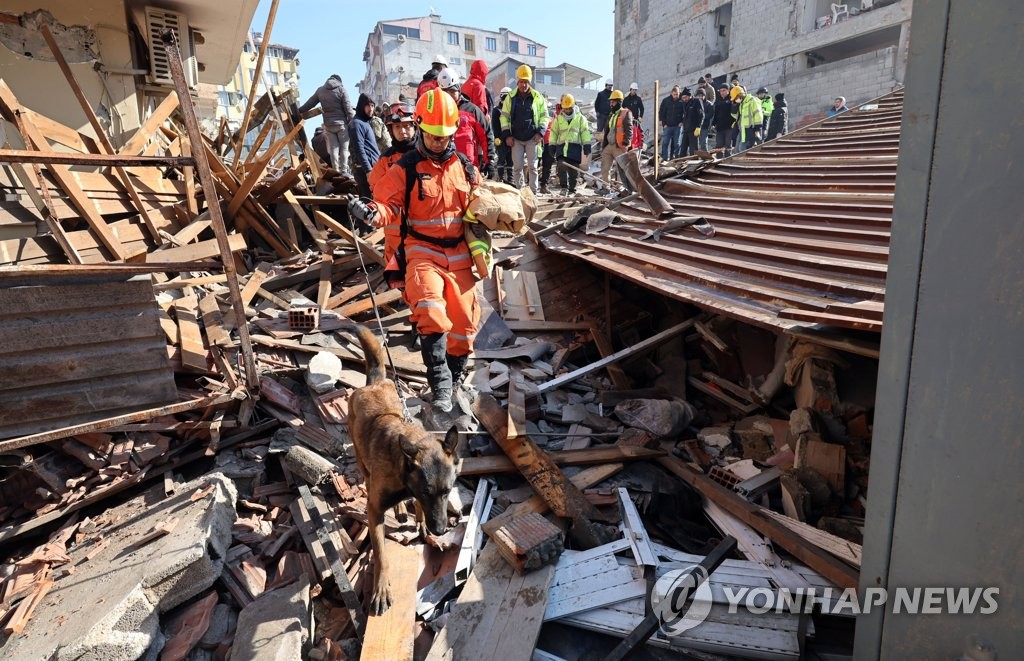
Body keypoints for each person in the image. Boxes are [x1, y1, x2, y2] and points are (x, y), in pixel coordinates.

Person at [347, 89, 478, 413]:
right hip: (422, 250)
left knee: (463, 325)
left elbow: (479, 201)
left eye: (444, 136)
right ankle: (440, 385)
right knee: (430, 310)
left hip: (459, 253)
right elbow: (387, 204)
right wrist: (370, 213)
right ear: (421, 128)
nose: (438, 142)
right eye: (432, 136)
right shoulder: (405, 167)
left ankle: (456, 374)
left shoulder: (463, 165)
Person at [367, 101, 417, 271]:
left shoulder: (426, 154)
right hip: (395, 234)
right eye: (397, 127)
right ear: (390, 130)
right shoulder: (385, 160)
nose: (403, 131)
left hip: (422, 233)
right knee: (399, 279)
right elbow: (376, 190)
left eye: (407, 126)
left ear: (415, 126)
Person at [499, 64, 548, 193]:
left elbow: (544, 116)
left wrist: (540, 133)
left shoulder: (537, 97)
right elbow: (504, 117)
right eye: (521, 81)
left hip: (532, 137)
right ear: (517, 81)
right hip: (516, 139)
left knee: (533, 167)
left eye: (526, 82)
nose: (523, 85)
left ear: (529, 82)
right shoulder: (510, 97)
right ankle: (520, 193)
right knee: (517, 168)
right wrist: (507, 135)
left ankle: (533, 193)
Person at [439, 70, 495, 176]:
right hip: (444, 167)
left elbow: (486, 135)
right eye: (445, 92)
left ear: (459, 90)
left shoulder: (472, 110)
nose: (449, 95)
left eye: (452, 91)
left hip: (469, 168)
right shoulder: (437, 112)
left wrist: (490, 162)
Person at [298, 74, 354, 175]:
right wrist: (352, 122)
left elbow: (310, 103)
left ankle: (336, 170)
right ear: (339, 81)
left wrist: (299, 111)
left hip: (329, 125)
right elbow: (349, 109)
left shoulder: (320, 90)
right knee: (344, 148)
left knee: (333, 149)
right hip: (341, 125)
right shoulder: (342, 89)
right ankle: (344, 170)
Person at [549, 93, 591, 195]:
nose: (567, 111)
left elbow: (585, 132)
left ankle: (572, 189)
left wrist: (587, 146)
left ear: (573, 106)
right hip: (562, 147)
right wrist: (552, 145)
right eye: (565, 109)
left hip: (574, 148)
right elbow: (554, 132)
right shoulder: (559, 119)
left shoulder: (580, 118)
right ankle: (564, 188)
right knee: (561, 166)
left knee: (574, 171)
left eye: (569, 109)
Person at [599, 89, 632, 192]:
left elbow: (629, 129)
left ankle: (626, 189)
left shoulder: (625, 113)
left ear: (619, 102)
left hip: (620, 146)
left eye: (613, 102)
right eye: (610, 102)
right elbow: (607, 130)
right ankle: (606, 188)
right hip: (609, 145)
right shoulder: (611, 115)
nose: (611, 104)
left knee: (622, 169)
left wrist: (626, 143)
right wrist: (604, 145)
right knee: (605, 167)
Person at [350, 93, 381, 198]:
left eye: (372, 106)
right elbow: (359, 149)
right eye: (368, 105)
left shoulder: (365, 123)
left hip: (373, 168)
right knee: (368, 204)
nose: (371, 109)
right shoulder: (356, 123)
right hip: (365, 171)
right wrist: (368, 170)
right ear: (361, 106)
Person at [733, 86, 764, 152]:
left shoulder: (752, 100)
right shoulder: (742, 104)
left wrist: (757, 129)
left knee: (743, 149)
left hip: (751, 130)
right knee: (738, 150)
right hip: (743, 130)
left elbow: (758, 115)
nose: (735, 100)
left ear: (740, 94)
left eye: (736, 98)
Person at [491, 87, 512, 183]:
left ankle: (510, 179)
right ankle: (501, 178)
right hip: (501, 139)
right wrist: (497, 138)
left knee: (510, 160)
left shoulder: (511, 110)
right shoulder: (497, 110)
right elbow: (495, 126)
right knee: (501, 159)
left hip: (510, 138)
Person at [658, 85, 684, 161]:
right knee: (665, 143)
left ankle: (676, 159)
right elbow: (661, 112)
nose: (676, 96)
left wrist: (682, 122)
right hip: (667, 126)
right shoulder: (666, 101)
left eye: (677, 94)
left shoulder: (681, 101)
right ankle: (665, 159)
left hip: (677, 126)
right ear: (671, 93)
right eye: (675, 94)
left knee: (677, 144)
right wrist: (663, 123)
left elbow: (685, 112)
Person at [712, 84, 735, 157]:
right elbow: (715, 113)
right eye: (721, 91)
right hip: (719, 127)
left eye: (724, 90)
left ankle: (728, 161)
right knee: (719, 145)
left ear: (728, 91)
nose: (722, 92)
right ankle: (719, 161)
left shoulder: (732, 99)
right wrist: (713, 123)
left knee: (728, 145)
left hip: (729, 126)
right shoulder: (718, 101)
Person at [681, 88, 704, 157]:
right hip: (686, 129)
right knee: (683, 148)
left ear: (689, 96)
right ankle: (681, 162)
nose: (684, 98)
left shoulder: (696, 101)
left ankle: (694, 163)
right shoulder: (684, 103)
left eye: (685, 97)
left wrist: (698, 127)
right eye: (683, 97)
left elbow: (701, 115)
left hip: (694, 129)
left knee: (693, 149)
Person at [623, 83, 645, 148]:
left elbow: (642, 108)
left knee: (639, 133)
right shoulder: (626, 99)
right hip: (627, 120)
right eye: (633, 90)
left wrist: (640, 117)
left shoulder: (638, 99)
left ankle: (639, 146)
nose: (634, 91)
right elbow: (622, 108)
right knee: (628, 133)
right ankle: (628, 146)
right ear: (630, 89)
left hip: (635, 120)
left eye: (636, 90)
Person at [696, 87, 714, 152]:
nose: (700, 97)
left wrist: (701, 117)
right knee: (695, 144)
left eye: (701, 96)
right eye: (698, 96)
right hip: (695, 127)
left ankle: (705, 157)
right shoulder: (694, 103)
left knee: (703, 143)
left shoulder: (709, 104)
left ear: (704, 96)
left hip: (704, 126)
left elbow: (710, 115)